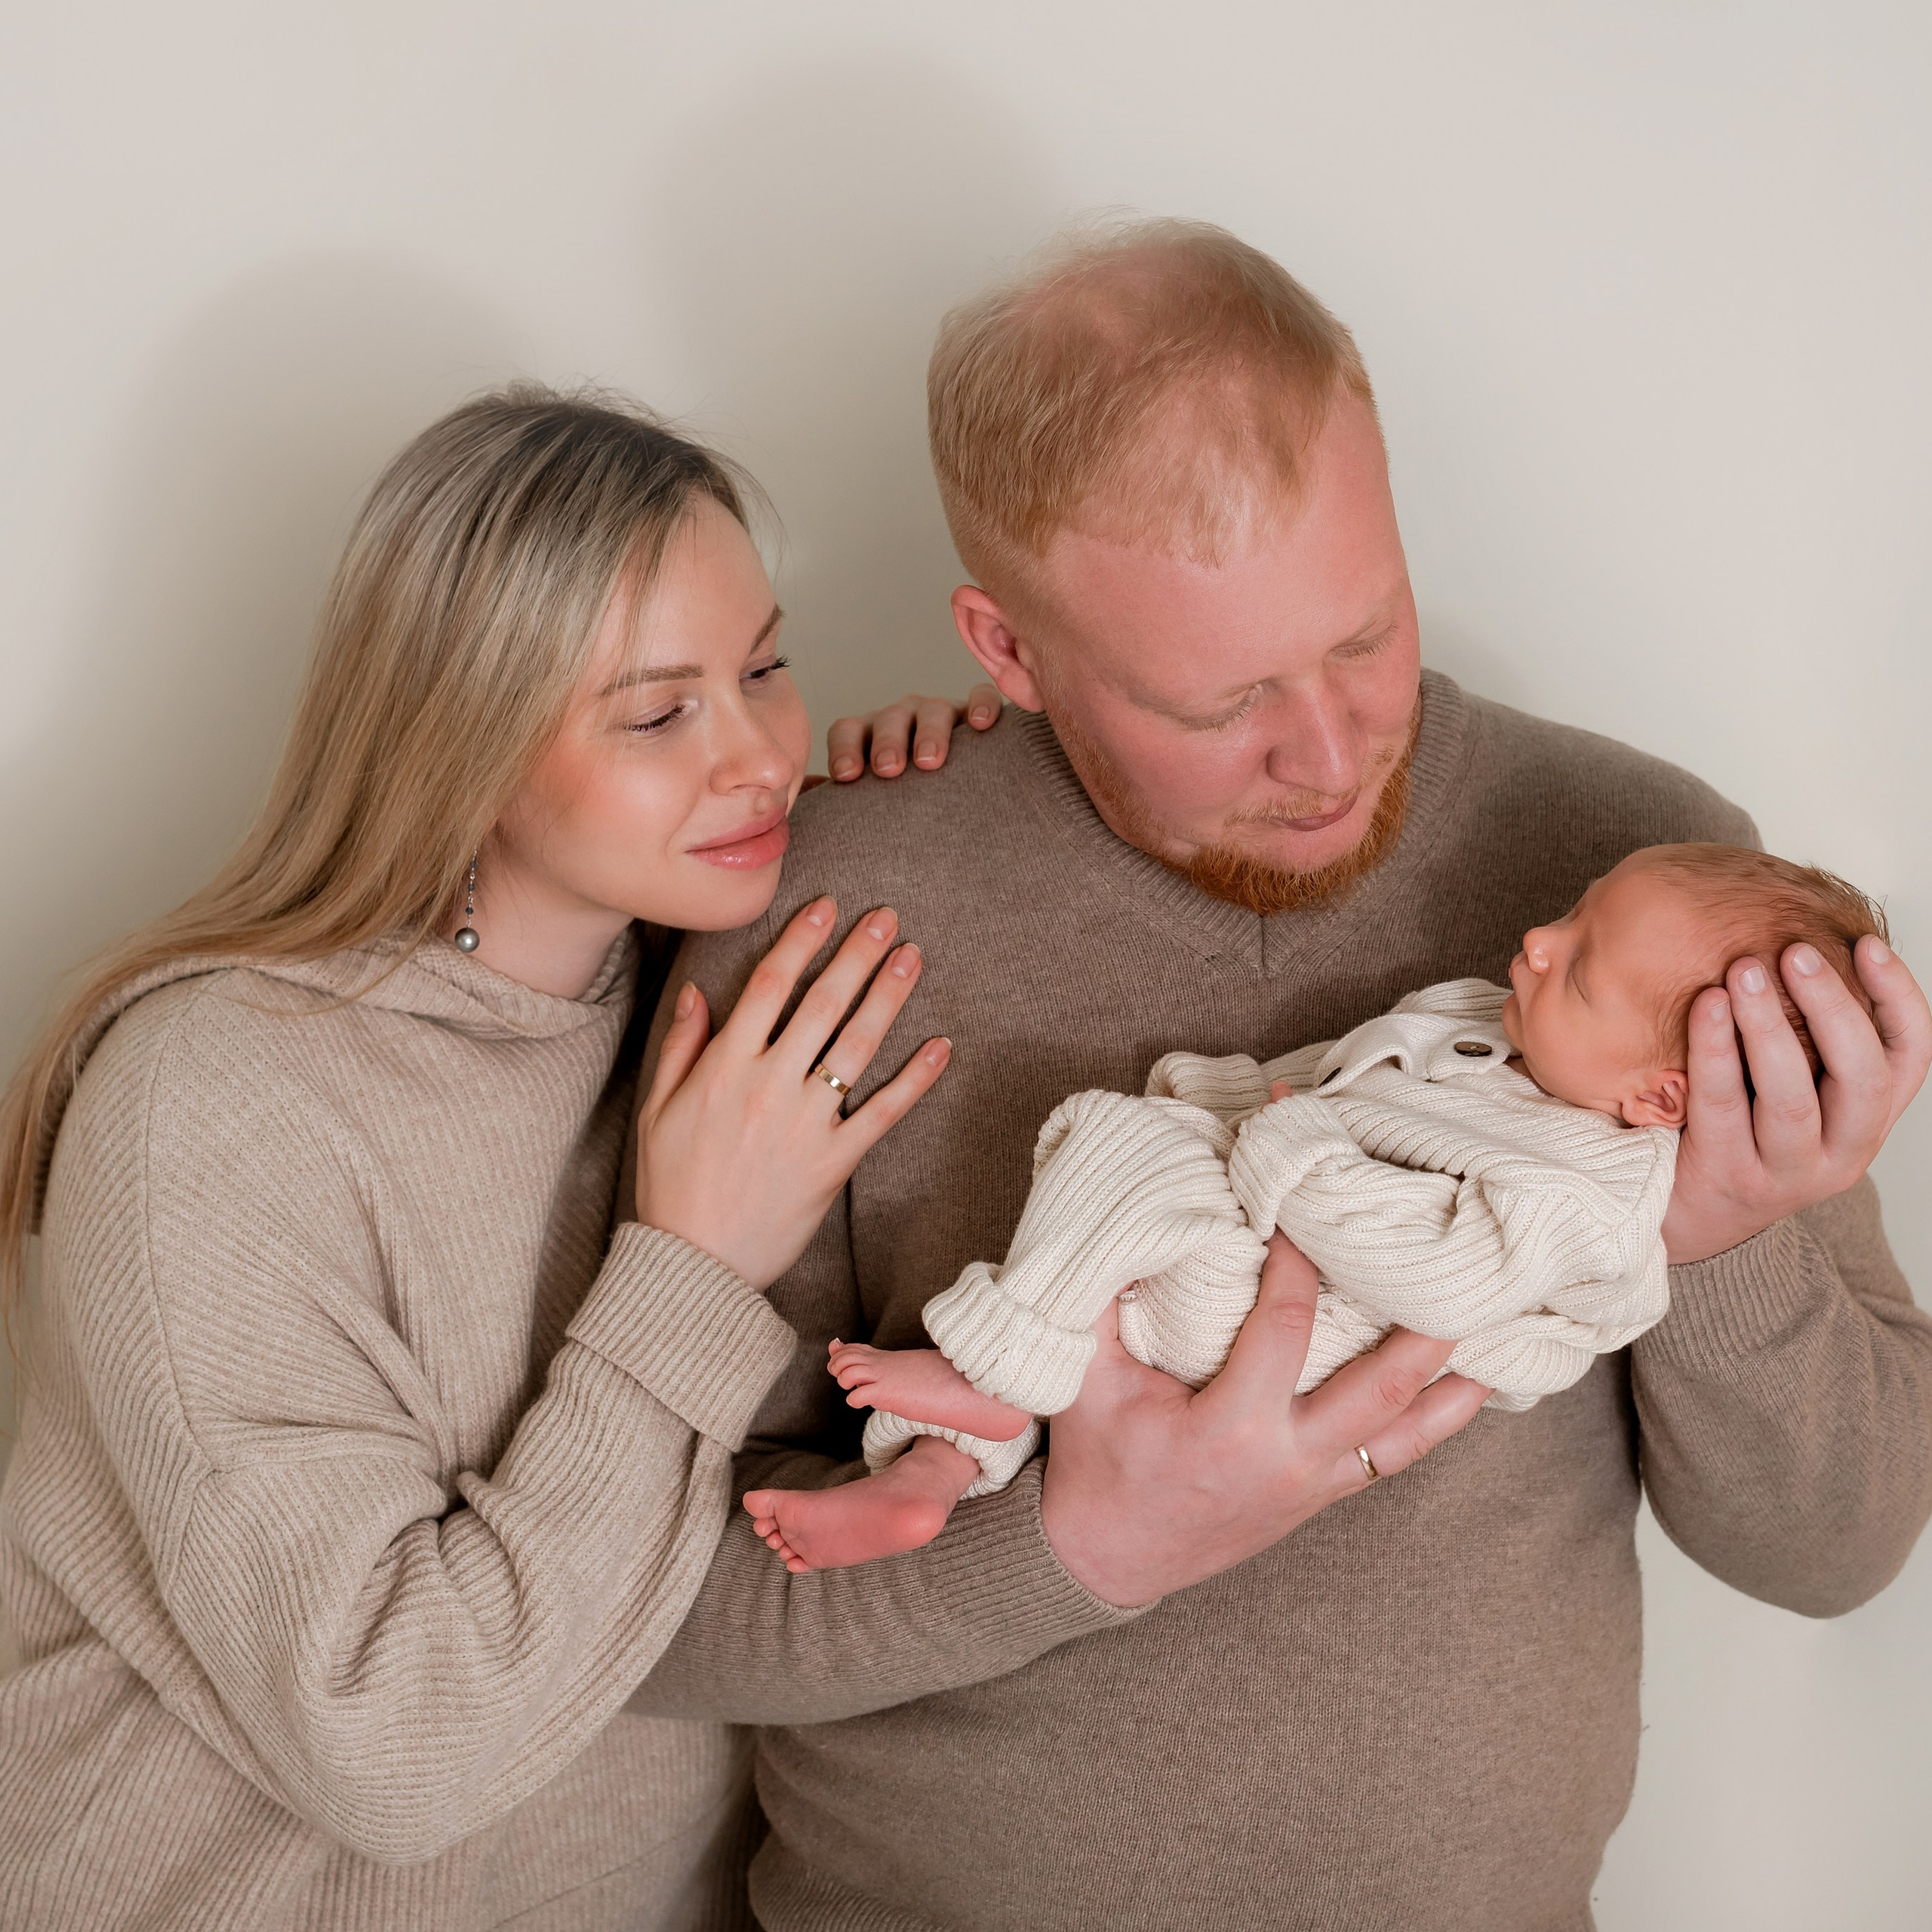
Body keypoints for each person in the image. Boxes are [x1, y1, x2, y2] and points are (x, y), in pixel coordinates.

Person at [629, 221, 1932, 1931]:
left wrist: (1718, 1234)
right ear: (1006, 652)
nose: (1323, 758)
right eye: (1224, 697)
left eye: (1363, 636)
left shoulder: (1650, 883)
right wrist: (1083, 1550)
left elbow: (1833, 1550)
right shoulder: (822, 914)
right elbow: (629, 1611)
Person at [0, 383, 999, 1930]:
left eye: (768, 668)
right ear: (460, 738)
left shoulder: (709, 1009)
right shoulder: (214, 1103)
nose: (754, 755)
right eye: (660, 711)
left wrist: (934, 798)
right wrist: (688, 1267)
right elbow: (392, 1748)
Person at [739, 844, 1896, 1572]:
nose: (1538, 944)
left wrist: (1275, 1140)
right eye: (1572, 910)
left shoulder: (1590, 1194)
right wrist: (1249, 1103)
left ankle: (994, 1363)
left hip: (1309, 1334)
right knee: (1110, 1196)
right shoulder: (1508, 1037)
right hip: (1246, 1271)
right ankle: (927, 1475)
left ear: (1661, 1096)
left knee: (1112, 1147)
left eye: (1580, 964)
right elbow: (1340, 1079)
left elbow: (1437, 1272)